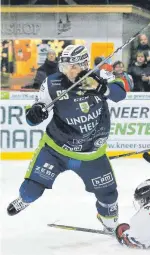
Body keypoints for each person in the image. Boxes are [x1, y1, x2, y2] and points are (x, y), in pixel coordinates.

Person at [6, 45, 127, 233]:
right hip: (56, 150)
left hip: (91, 154)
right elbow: (32, 117)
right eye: (64, 66)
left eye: (73, 66)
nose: (68, 71)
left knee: (109, 196)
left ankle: (108, 220)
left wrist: (101, 88)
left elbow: (121, 93)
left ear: (85, 64)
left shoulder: (100, 76)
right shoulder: (53, 83)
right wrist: (35, 113)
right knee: (31, 191)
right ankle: (24, 200)